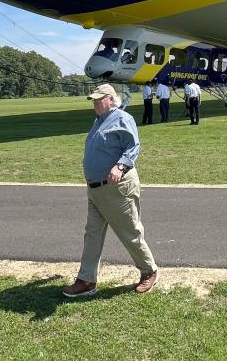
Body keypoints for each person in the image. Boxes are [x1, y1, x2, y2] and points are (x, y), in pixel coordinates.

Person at [63, 83, 158, 298]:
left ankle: (149, 271)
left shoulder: (122, 118)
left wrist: (120, 165)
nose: (96, 104)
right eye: (94, 100)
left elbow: (133, 146)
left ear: (111, 99)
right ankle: (87, 280)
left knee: (130, 232)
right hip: (95, 190)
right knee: (92, 235)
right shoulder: (99, 121)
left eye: (99, 99)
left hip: (117, 188)